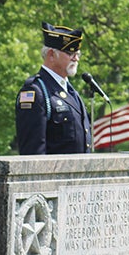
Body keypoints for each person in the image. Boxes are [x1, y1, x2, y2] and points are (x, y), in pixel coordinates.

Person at [15, 22, 92, 155]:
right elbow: (33, 152)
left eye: (78, 53)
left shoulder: (71, 91)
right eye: (70, 52)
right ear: (51, 54)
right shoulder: (36, 91)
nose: (76, 58)